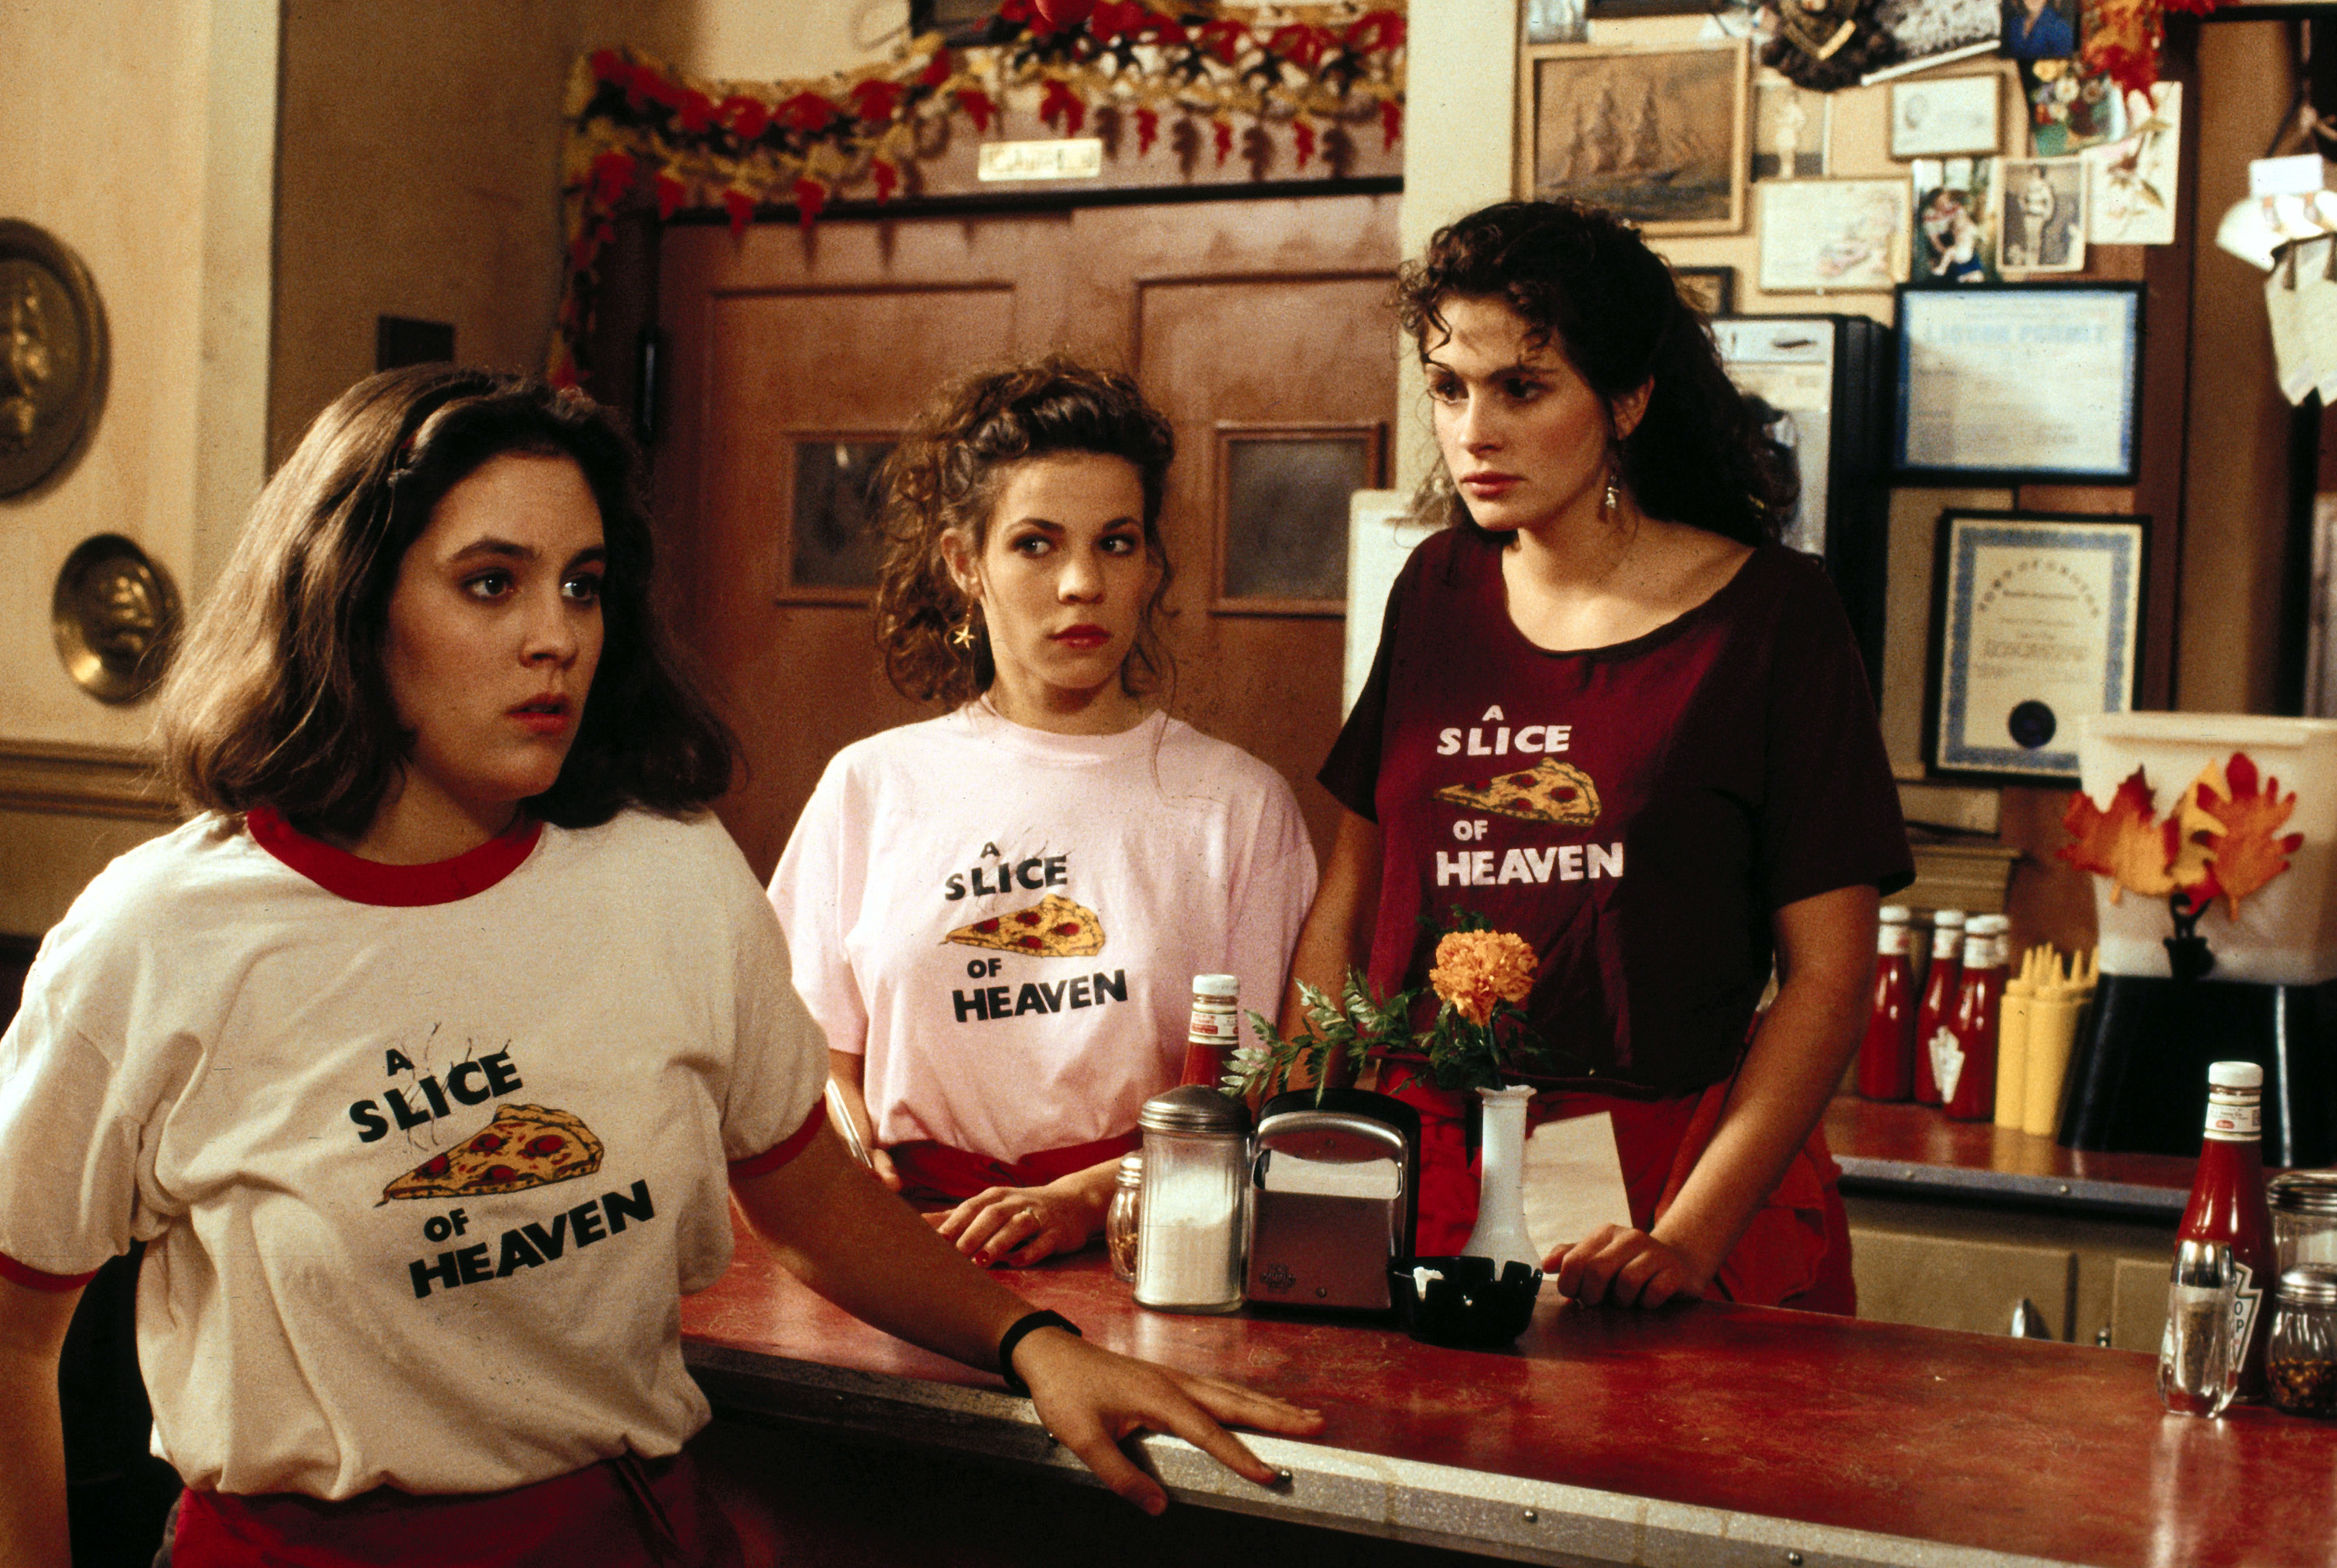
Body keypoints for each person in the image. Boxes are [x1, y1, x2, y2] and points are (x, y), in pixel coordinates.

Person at [0, 367, 1320, 1568]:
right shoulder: (162, 934)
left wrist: (1037, 1344)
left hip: (624, 1529)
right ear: (349, 595)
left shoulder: (668, 868)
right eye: (489, 582)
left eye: (583, 585)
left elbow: (808, 1196)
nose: (555, 635)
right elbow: (12, 1334)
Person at [1288, 200, 1912, 1315]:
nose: (1474, 430)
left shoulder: (1773, 617)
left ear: (1625, 400)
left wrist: (1689, 1238)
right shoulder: (1435, 587)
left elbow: (1828, 975)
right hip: (1415, 1157)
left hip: (1659, 1173)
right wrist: (1300, 1147)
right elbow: (1350, 898)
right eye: (1449, 388)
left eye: (1522, 389)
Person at [770, 358, 1317, 1270]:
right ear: (963, 563)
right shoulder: (871, 786)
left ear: (1150, 566)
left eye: (1116, 542)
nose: (1080, 584)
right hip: (906, 1249)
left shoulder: (1236, 804)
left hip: (1150, 1249)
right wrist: (850, 1144)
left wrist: (1087, 1198)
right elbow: (809, 1055)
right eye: (1035, 543)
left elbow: (1263, 1096)